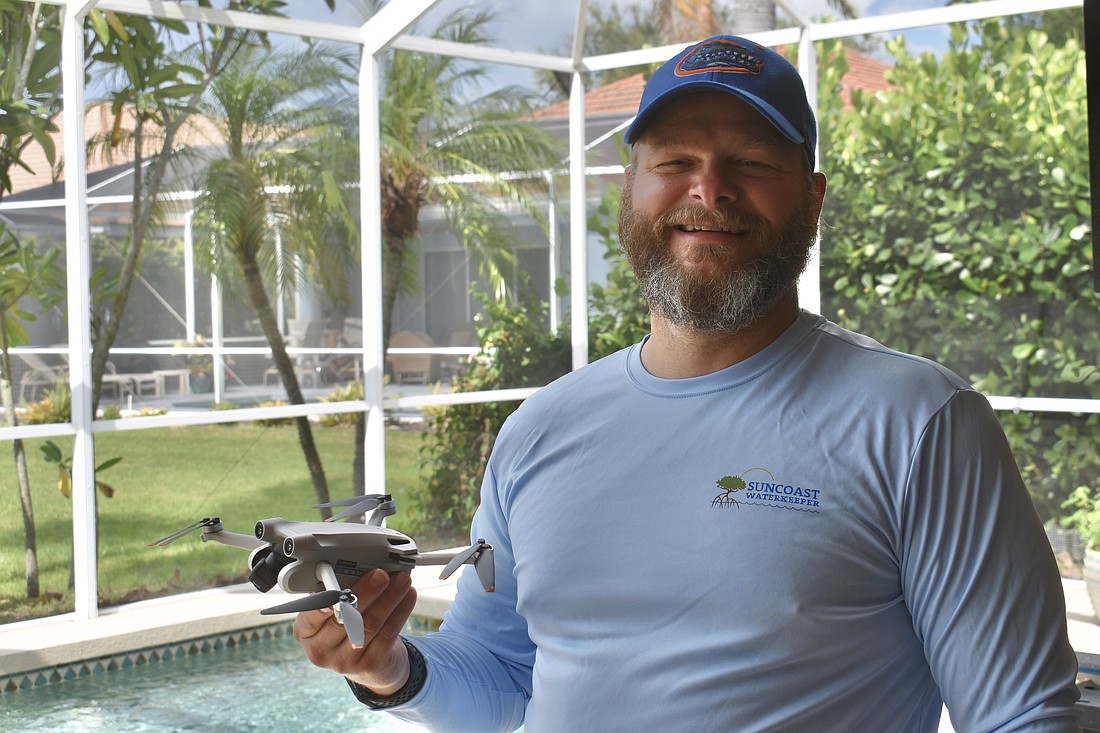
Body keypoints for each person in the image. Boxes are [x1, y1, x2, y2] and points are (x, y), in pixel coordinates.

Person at [293, 35, 1081, 732]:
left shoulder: (920, 425)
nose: (709, 189)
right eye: (675, 161)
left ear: (812, 198)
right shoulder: (541, 429)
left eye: (751, 161)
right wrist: (387, 668)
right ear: (627, 190)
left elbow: (1021, 715)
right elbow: (502, 678)